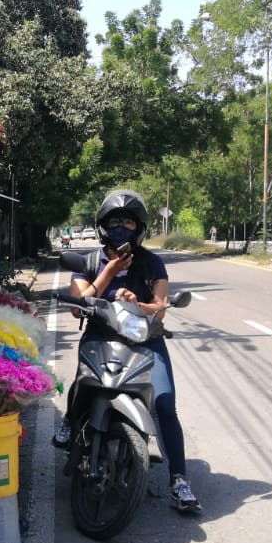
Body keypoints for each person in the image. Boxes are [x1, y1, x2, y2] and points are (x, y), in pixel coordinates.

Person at [52, 190, 199, 512]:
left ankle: (179, 480)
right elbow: (79, 307)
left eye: (128, 222)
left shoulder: (151, 262)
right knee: (83, 384)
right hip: (100, 336)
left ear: (140, 227)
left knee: (164, 404)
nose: (121, 228)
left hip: (146, 340)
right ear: (103, 225)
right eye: (115, 221)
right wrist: (109, 270)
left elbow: (159, 308)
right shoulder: (91, 261)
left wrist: (137, 303)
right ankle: (71, 418)